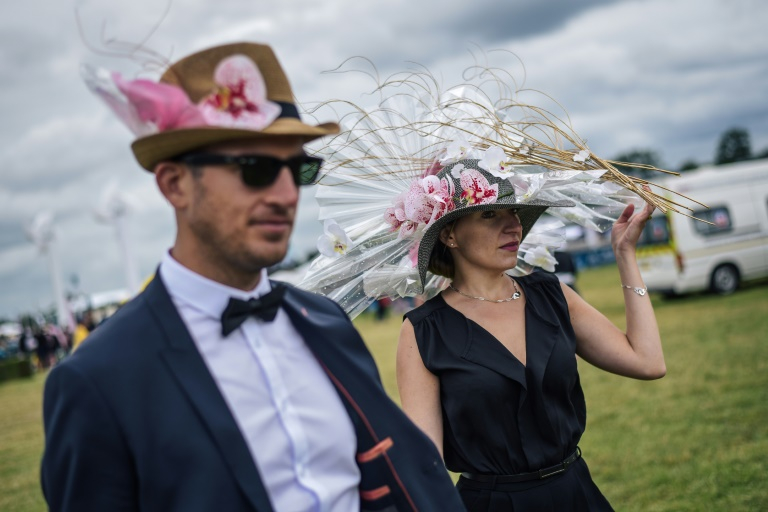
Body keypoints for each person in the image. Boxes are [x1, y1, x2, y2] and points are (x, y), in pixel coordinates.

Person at [41, 42, 464, 511]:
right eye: (256, 168)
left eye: (299, 167)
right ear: (174, 184)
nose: (286, 193)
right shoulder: (97, 380)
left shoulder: (324, 320)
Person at [298, 60, 686, 511]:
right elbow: (424, 462)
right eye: (490, 214)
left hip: (577, 494)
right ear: (449, 233)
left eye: (514, 213)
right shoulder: (424, 331)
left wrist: (625, 257)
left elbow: (648, 361)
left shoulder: (551, 294)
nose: (511, 225)